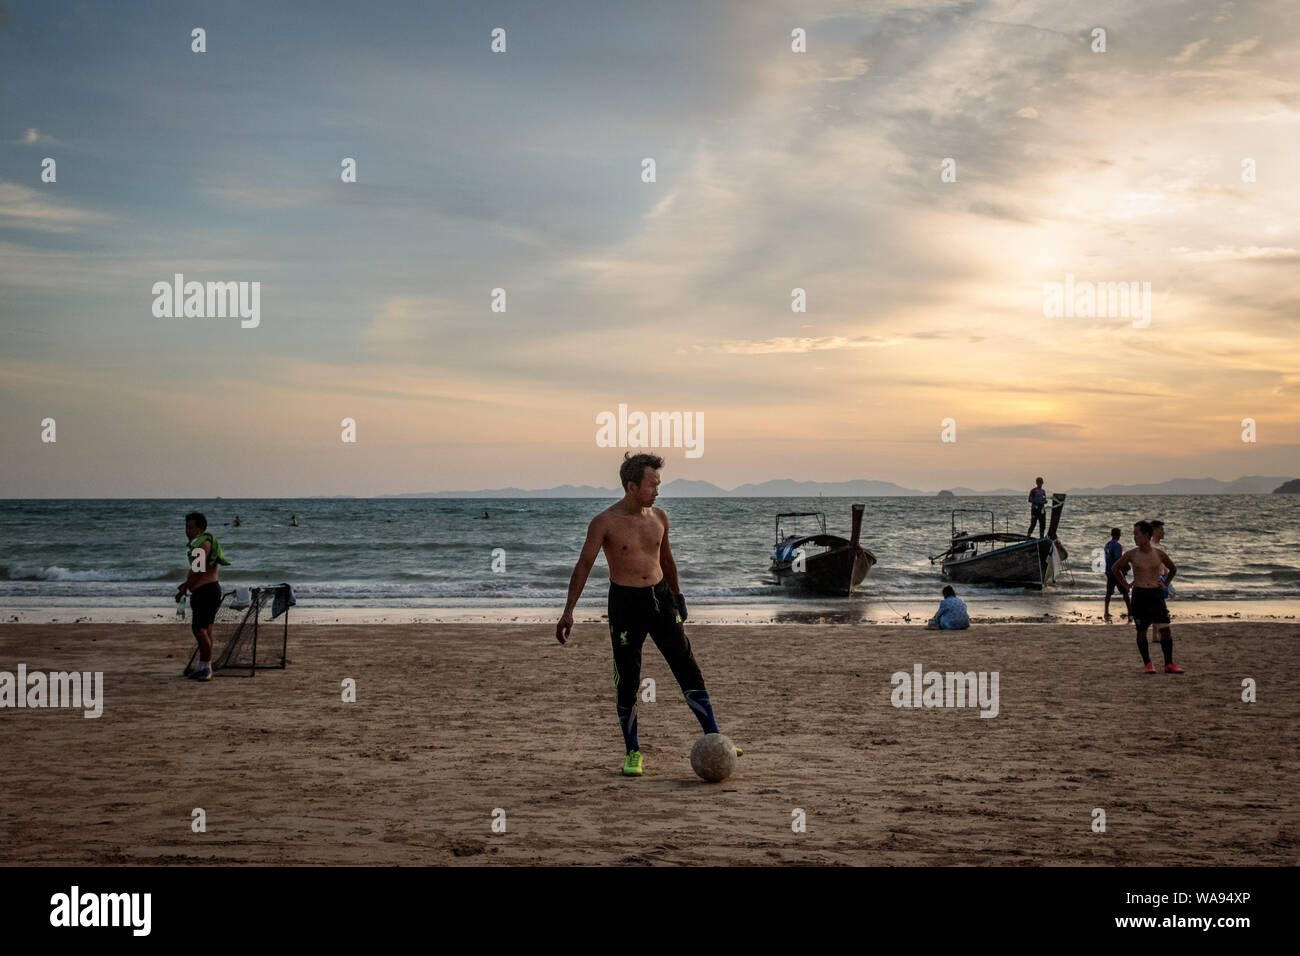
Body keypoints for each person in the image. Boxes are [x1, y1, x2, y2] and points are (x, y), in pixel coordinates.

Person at [556, 452, 740, 777]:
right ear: (631, 486)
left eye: (659, 483)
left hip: (661, 598)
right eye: (652, 484)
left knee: (687, 666)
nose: (658, 490)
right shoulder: (604, 523)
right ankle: (632, 752)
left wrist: (678, 595)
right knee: (627, 678)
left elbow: (667, 560)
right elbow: (583, 565)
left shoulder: (659, 517)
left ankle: (714, 735)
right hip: (625, 604)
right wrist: (569, 610)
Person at [1110, 520, 1182, 674]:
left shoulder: (1159, 554)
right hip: (1140, 595)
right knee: (1141, 630)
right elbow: (1115, 568)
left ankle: (1169, 664)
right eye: (1133, 534)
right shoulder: (1132, 554)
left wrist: (1166, 583)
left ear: (1146, 535)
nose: (1134, 537)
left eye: (1137, 533)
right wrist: (1126, 584)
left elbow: (1173, 569)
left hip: (1156, 594)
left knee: (1165, 630)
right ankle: (1148, 664)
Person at [176, 511, 231, 681]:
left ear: (200, 529)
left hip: (206, 591)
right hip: (208, 590)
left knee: (198, 629)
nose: (187, 531)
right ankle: (202, 666)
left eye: (191, 527)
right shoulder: (206, 543)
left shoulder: (202, 545)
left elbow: (198, 570)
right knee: (207, 630)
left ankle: (206, 667)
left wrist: (184, 587)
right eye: (186, 527)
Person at [1103, 527, 1130, 620]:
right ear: (1119, 535)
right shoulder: (1117, 545)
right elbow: (1118, 559)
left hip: (1109, 571)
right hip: (1116, 572)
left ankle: (1106, 611)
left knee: (1109, 593)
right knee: (1125, 592)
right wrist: (1125, 567)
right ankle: (1130, 611)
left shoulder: (1107, 545)